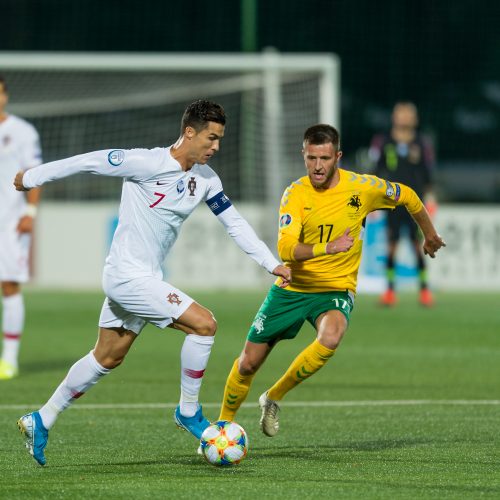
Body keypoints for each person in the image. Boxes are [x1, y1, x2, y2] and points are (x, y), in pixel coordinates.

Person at [14, 99, 291, 466]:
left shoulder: (206, 180)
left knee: (108, 356)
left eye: (220, 139)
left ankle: (41, 419)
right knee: (204, 325)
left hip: (145, 277)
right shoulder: (146, 163)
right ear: (189, 132)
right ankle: (188, 412)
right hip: (127, 276)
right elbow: (88, 161)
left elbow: (235, 224)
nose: (216, 146)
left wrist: (270, 263)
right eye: (211, 137)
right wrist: (32, 177)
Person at [217, 124, 445, 437]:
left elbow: (407, 196)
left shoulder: (362, 187)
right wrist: (329, 247)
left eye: (324, 158)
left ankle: (273, 397)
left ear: (337, 156)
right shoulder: (295, 193)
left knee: (333, 334)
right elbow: (285, 248)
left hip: (336, 289)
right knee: (247, 364)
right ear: (304, 155)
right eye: (311, 158)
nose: (318, 166)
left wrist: (429, 234)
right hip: (293, 288)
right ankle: (222, 426)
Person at [369, 101, 437, 307]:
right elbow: (376, 171)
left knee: (419, 245)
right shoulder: (384, 142)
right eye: (402, 114)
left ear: (415, 119)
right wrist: (372, 200)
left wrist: (431, 198)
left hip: (416, 203)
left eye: (409, 114)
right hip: (392, 202)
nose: (405, 118)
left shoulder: (422, 143)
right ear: (394, 117)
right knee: (391, 245)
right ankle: (389, 290)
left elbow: (428, 174)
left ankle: (424, 290)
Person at [0, 75, 42, 380]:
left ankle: (9, 359)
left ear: (6, 96)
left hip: (10, 223)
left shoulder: (23, 131)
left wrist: (30, 211)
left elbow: (35, 174)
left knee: (9, 286)